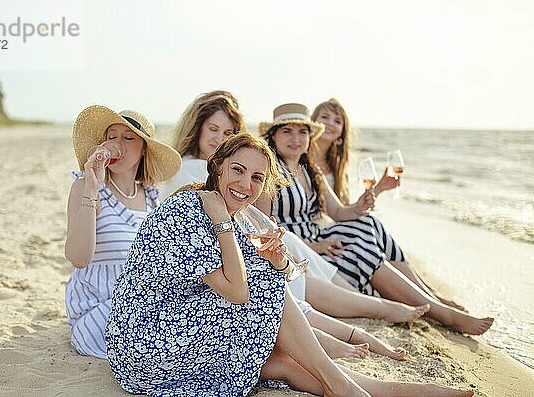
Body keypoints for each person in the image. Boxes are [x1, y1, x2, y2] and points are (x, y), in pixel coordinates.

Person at [106, 133, 474, 397]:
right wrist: (225, 228)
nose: (245, 183)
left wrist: (278, 259)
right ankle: (342, 387)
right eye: (237, 170)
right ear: (216, 167)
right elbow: (240, 291)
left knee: (279, 362)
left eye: (256, 177)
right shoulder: (189, 210)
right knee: (265, 293)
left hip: (176, 328)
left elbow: (283, 275)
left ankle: (373, 389)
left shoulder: (237, 216)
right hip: (142, 342)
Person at [162, 91, 425, 360]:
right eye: (213, 129)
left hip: (248, 251)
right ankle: (379, 308)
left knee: (362, 228)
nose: (220, 139)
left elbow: (253, 215)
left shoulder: (241, 168)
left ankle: (406, 300)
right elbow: (236, 219)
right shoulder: (194, 169)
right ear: (197, 129)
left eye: (228, 133)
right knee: (292, 262)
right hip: (227, 259)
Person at [258, 103, 494, 336]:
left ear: (310, 136)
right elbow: (265, 227)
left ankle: (432, 302)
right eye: (287, 131)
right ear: (273, 135)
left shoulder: (310, 170)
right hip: (298, 248)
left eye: (302, 132)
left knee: (366, 223)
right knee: (360, 240)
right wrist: (315, 246)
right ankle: (440, 312)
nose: (295, 139)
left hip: (318, 239)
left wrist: (360, 206)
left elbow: (339, 213)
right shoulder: (268, 170)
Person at [311, 98, 465, 311]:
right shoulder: (303, 156)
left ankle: (430, 294)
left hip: (336, 225)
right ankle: (429, 300)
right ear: (313, 122)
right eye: (325, 117)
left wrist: (380, 188)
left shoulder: (336, 165)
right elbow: (339, 214)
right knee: (367, 224)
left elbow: (346, 209)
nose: (330, 124)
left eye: (338, 121)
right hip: (319, 231)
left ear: (343, 130)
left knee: (370, 221)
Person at [63, 105, 182, 359]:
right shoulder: (86, 187)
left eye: (128, 138)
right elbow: (78, 257)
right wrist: (92, 186)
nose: (117, 144)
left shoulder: (152, 199)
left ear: (144, 151)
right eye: (111, 136)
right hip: (100, 313)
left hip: (144, 307)